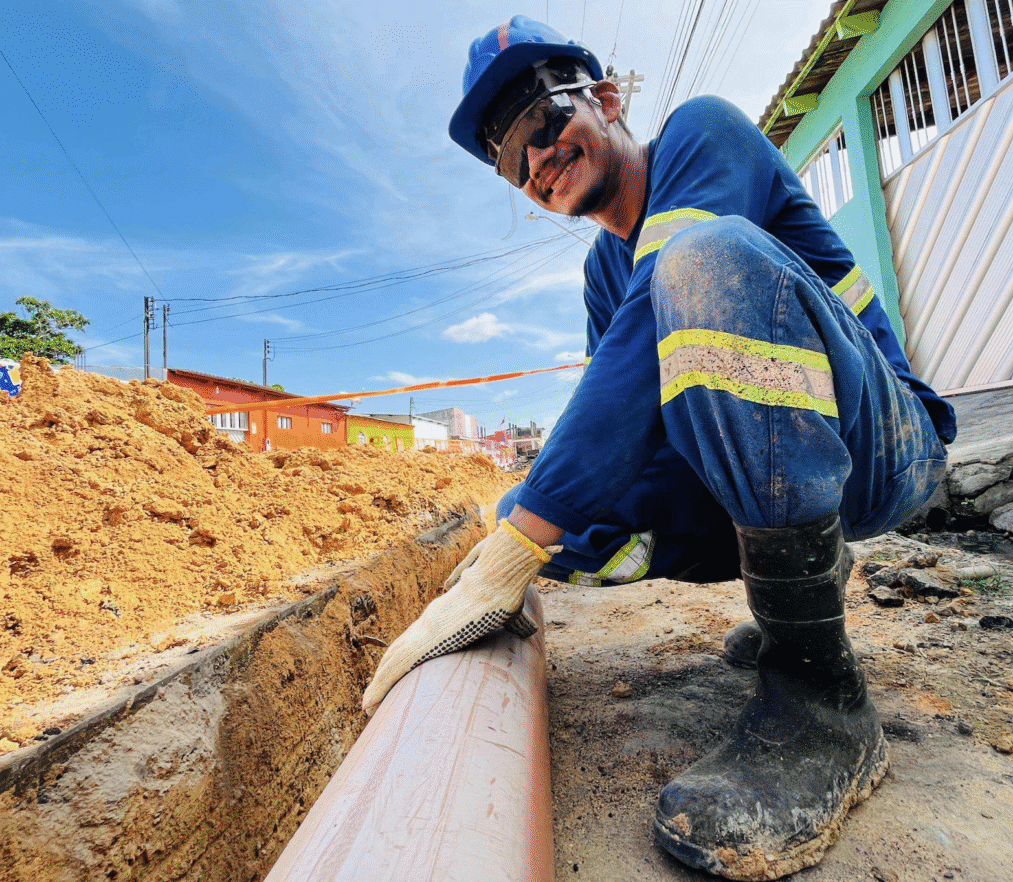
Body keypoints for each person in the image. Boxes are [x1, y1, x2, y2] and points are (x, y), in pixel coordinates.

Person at [363, 15, 957, 881]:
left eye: (539, 120)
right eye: (507, 156)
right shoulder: (602, 273)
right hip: (783, 464)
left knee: (699, 262)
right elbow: (632, 425)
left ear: (605, 100)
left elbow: (656, 324)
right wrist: (534, 542)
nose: (534, 162)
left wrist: (515, 544)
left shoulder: (705, 134)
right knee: (575, 530)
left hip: (886, 445)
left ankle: (824, 709)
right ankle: (805, 594)